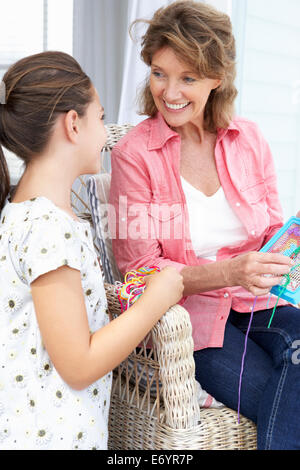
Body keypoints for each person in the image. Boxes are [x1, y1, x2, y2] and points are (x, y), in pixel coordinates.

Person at [109, 1, 300, 450]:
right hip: (192, 324)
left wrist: (285, 251)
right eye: (159, 72)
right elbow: (139, 272)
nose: (169, 91)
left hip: (260, 304)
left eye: (188, 78)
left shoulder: (248, 138)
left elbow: (275, 232)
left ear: (217, 79)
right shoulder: (134, 156)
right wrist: (229, 273)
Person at [0, 51, 184, 450]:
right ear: (72, 123)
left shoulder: (34, 214)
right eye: (100, 118)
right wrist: (156, 300)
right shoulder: (48, 229)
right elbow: (79, 365)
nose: (105, 134)